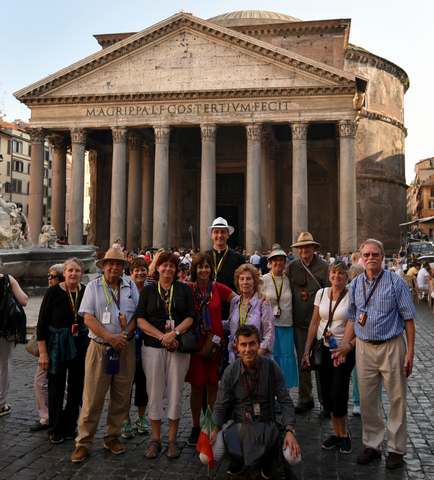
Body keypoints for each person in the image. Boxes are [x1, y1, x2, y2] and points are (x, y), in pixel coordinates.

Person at [333, 239, 416, 470]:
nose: (371, 258)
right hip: (364, 347)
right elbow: (352, 317)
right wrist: (345, 345)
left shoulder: (395, 282)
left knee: (397, 398)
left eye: (375, 254)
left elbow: (409, 319)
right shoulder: (356, 283)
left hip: (391, 345)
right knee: (368, 399)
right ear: (361, 257)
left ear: (382, 257)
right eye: (367, 254)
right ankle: (372, 444)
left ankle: (397, 449)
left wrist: (410, 352)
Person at [70, 247, 139, 463]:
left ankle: (112, 436)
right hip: (100, 347)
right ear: (104, 266)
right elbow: (88, 318)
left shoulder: (130, 287)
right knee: (92, 397)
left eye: (118, 264)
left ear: (122, 267)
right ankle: (83, 442)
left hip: (124, 347)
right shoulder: (93, 286)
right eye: (110, 264)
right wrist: (110, 337)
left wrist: (125, 335)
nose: (114, 267)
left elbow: (137, 315)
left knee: (121, 396)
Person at [211, 324, 301, 479]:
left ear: (259, 344)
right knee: (209, 454)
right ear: (236, 347)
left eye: (252, 344)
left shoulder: (272, 368)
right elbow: (220, 405)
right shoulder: (230, 371)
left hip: (266, 425)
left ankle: (264, 465)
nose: (248, 349)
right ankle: (240, 462)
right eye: (243, 345)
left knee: (293, 457)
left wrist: (290, 430)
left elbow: (285, 401)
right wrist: (214, 428)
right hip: (239, 426)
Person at [136, 251, 195, 459]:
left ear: (176, 269)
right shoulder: (148, 291)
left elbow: (190, 317)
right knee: (154, 391)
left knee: (176, 393)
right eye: (164, 265)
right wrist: (162, 336)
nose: (168, 269)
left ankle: (171, 440)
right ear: (157, 268)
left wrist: (175, 333)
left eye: (172, 266)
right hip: (153, 346)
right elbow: (140, 320)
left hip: (177, 348)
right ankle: (155, 438)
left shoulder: (184, 290)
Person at [301, 262, 355, 453]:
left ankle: (344, 434)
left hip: (342, 350)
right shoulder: (321, 293)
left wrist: (345, 348)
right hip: (323, 348)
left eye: (341, 273)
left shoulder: (352, 295)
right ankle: (335, 432)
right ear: (329, 275)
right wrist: (306, 350)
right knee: (326, 392)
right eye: (334, 273)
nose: (336, 276)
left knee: (338, 392)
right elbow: (315, 322)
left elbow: (353, 323)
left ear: (346, 277)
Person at [37, 258, 89, 444]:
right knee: (56, 386)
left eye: (77, 270)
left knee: (77, 387)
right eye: (70, 271)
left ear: (82, 273)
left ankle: (69, 425)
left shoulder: (86, 291)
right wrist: (43, 352)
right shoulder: (53, 292)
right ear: (64, 273)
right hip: (57, 345)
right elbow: (41, 323)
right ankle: (55, 427)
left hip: (80, 344)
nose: (73, 274)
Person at [185, 253, 235, 446]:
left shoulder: (218, 288)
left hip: (215, 344)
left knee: (213, 385)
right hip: (196, 345)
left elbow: (238, 300)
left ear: (211, 270)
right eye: (200, 267)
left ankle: (212, 425)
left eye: (207, 267)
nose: (204, 270)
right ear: (194, 270)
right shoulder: (188, 289)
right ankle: (196, 426)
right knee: (197, 387)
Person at [287, 232, 329, 413]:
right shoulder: (292, 267)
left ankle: (326, 402)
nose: (304, 250)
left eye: (308, 247)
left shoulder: (324, 267)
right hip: (299, 322)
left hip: (320, 323)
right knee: (303, 361)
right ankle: (306, 398)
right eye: (301, 248)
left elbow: (330, 293)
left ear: (314, 248)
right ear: (297, 250)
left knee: (321, 362)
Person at [29, 264, 64, 432]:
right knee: (43, 381)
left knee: (42, 381)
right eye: (48, 276)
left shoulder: (56, 294)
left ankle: (48, 416)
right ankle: (49, 415)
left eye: (52, 276)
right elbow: (42, 323)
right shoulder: (52, 293)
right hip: (50, 345)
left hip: (58, 346)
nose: (49, 279)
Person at [121, 257, 151, 439]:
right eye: (136, 270)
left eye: (143, 270)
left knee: (142, 382)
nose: (140, 273)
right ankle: (125, 420)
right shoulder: (124, 290)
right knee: (124, 383)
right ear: (130, 273)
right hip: (128, 339)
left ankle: (141, 418)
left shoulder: (151, 289)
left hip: (145, 341)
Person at [262, 245, 298, 389]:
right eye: (275, 260)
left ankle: (284, 391)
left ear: (285, 263)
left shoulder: (289, 280)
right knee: (271, 358)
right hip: (269, 326)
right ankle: (271, 391)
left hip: (286, 324)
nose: (278, 263)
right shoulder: (263, 280)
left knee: (286, 358)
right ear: (270, 263)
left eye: (281, 260)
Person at [229, 264, 274, 362]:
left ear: (255, 281)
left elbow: (269, 333)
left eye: (248, 279)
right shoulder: (235, 301)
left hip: (256, 357)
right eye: (242, 279)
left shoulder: (263, 302)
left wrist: (256, 354)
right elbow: (230, 324)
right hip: (236, 357)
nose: (245, 282)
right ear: (238, 282)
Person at [0, 273, 28, 416]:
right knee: (4, 365)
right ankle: (1, 404)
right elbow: (23, 300)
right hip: (4, 330)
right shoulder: (7, 279)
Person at [206, 217, 244, 291]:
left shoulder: (239, 258)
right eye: (216, 232)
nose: (220, 235)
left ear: (228, 235)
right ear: (211, 235)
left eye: (223, 232)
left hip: (231, 300)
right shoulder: (204, 257)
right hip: (208, 300)